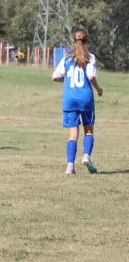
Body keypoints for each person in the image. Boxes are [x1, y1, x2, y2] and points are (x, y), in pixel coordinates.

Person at [52, 29, 103, 175]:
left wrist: (66, 78)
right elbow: (91, 76)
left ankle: (70, 165)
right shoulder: (90, 57)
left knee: (73, 134)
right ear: (86, 41)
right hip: (85, 99)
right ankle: (86, 156)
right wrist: (99, 89)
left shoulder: (67, 58)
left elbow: (54, 77)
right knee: (88, 131)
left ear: (73, 40)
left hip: (70, 99)